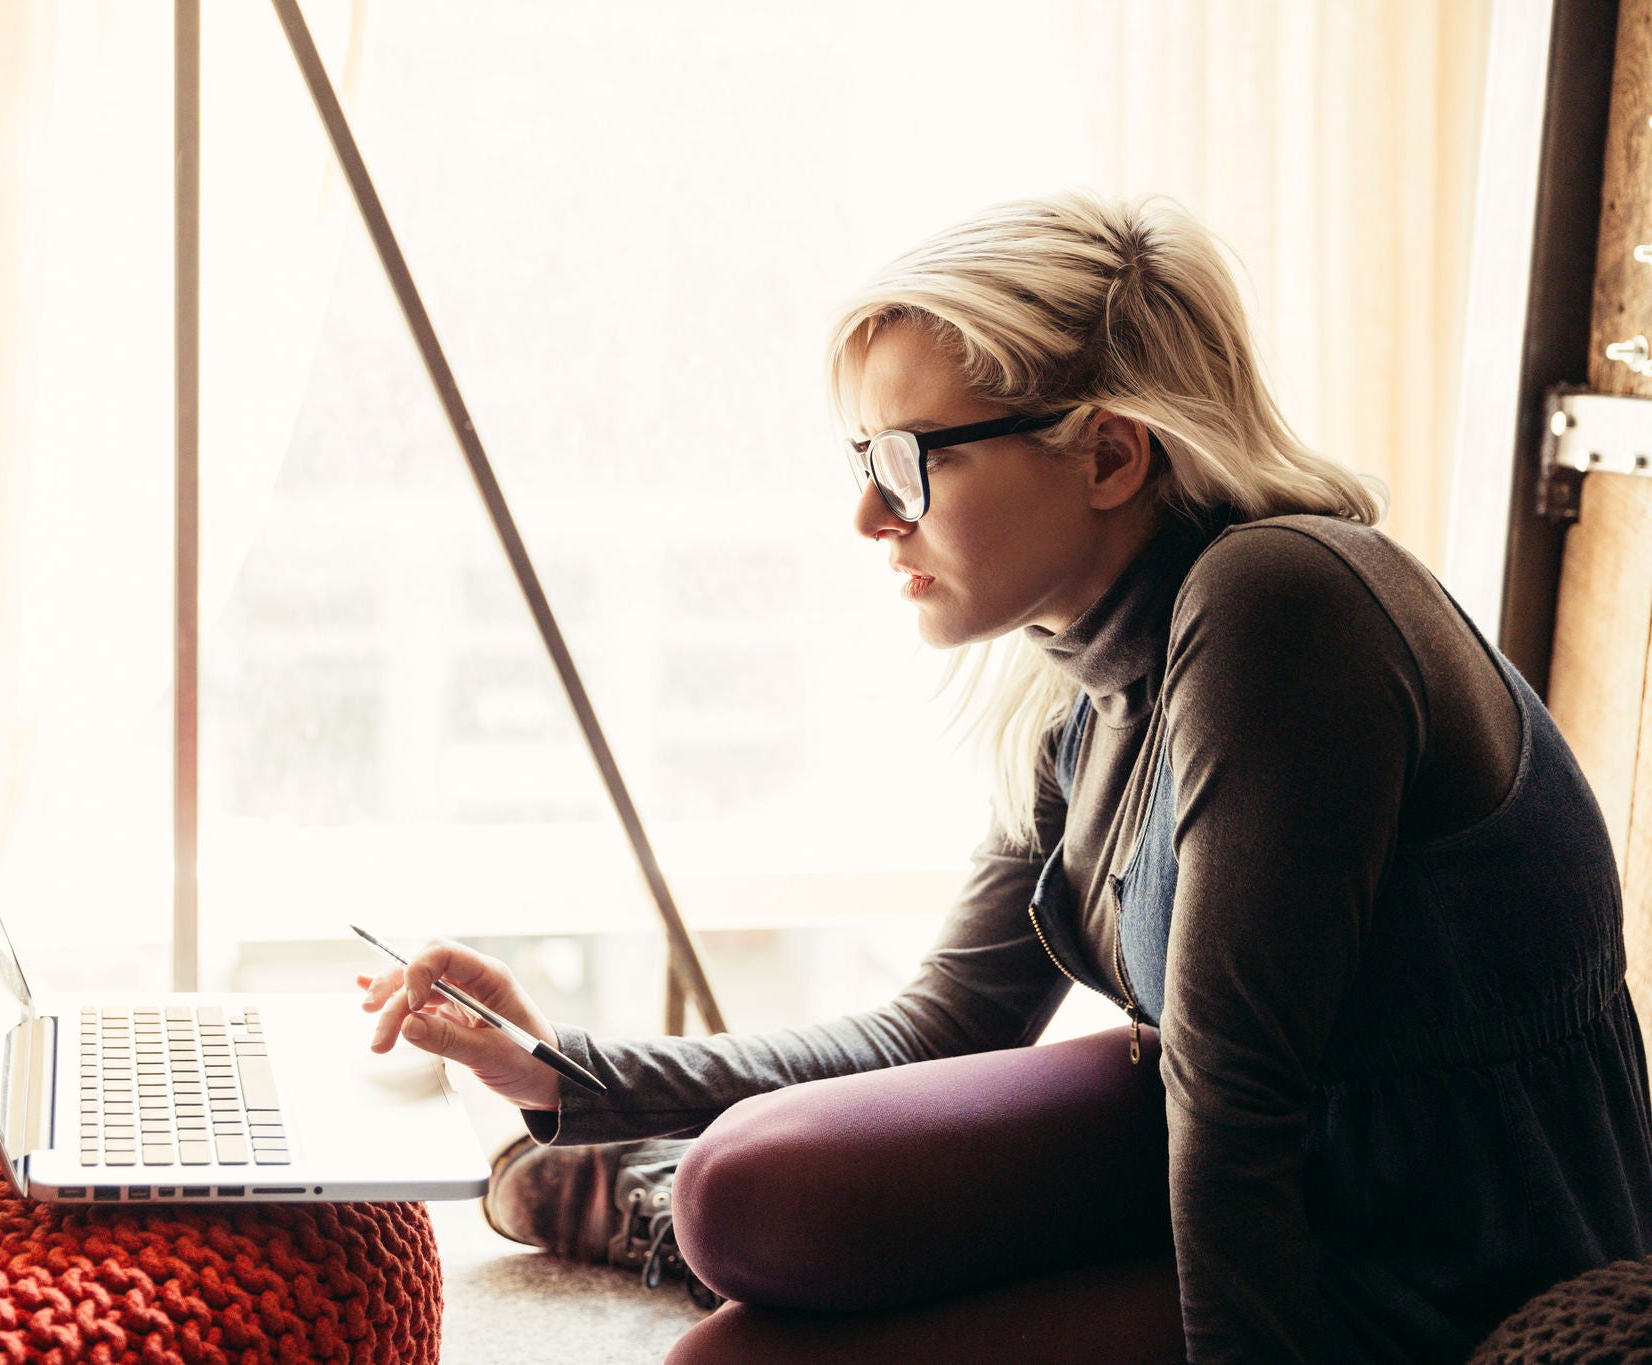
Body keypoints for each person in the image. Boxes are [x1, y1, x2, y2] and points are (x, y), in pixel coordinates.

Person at [354, 190, 1652, 1363]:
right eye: (861, 463)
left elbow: (1237, 1115)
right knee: (737, 1194)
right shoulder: (1080, 676)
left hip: (1420, 1259)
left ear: (1108, 454)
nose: (869, 516)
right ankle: (633, 1179)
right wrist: (560, 1066)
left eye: (909, 462)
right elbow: (935, 1031)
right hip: (1249, 1169)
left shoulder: (1282, 608)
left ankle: (628, 1193)